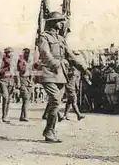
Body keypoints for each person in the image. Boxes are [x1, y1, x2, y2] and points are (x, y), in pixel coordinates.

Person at [36, 12, 90, 143]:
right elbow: (44, 53)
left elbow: (70, 55)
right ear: (53, 22)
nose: (62, 24)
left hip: (61, 75)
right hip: (48, 72)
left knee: (56, 103)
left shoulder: (61, 39)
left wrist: (83, 68)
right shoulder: (44, 37)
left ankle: (50, 130)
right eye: (60, 21)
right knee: (55, 100)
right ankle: (49, 131)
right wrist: (57, 64)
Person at [0, 47, 17, 123]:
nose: (11, 54)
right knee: (5, 97)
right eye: (9, 52)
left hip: (11, 81)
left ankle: (5, 116)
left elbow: (16, 72)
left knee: (8, 99)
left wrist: (17, 82)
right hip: (3, 80)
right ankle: (4, 116)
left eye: (12, 52)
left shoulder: (13, 61)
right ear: (6, 53)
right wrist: (7, 68)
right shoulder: (2, 61)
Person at [17, 48, 33, 122]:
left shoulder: (29, 62)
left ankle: (22, 116)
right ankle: (26, 116)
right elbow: (21, 70)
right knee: (26, 98)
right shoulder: (21, 61)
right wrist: (26, 65)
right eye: (26, 53)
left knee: (26, 100)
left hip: (28, 81)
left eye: (28, 53)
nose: (27, 54)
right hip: (22, 79)